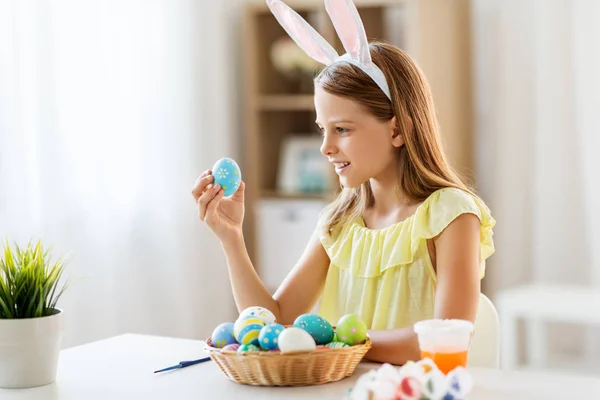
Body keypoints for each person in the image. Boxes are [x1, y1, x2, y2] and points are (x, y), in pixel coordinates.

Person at [191, 0, 495, 365]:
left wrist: (332, 342)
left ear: (397, 129)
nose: (326, 146)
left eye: (343, 129)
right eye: (323, 129)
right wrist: (232, 239)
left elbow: (445, 338)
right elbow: (273, 321)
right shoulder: (340, 223)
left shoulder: (451, 216)